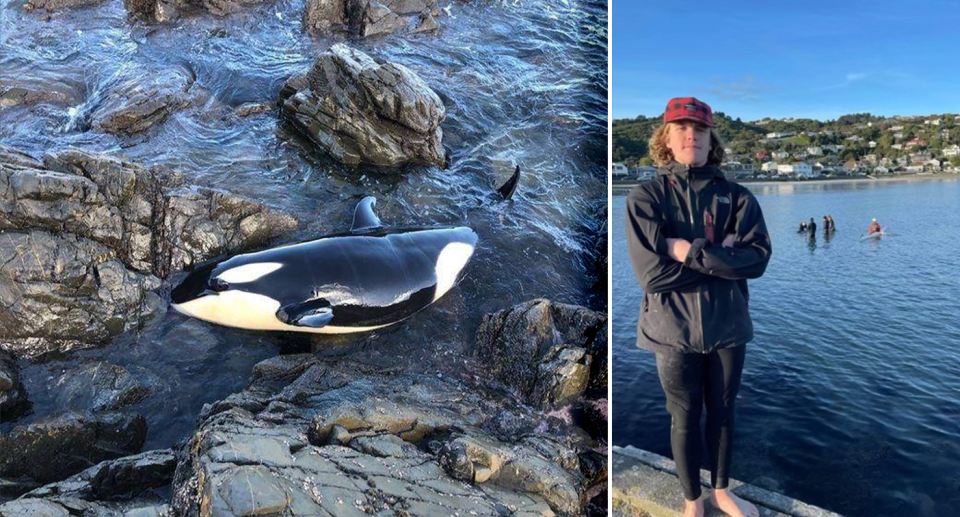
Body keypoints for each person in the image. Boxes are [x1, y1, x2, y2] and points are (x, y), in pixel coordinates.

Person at [626, 97, 771, 517]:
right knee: (684, 418)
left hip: (728, 326)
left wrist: (686, 250)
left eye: (701, 129)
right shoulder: (645, 197)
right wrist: (722, 259)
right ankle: (693, 501)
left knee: (724, 413)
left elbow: (758, 259)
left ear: (711, 140)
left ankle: (722, 491)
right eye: (682, 128)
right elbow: (651, 275)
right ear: (666, 139)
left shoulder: (738, 198)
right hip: (672, 331)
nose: (692, 135)